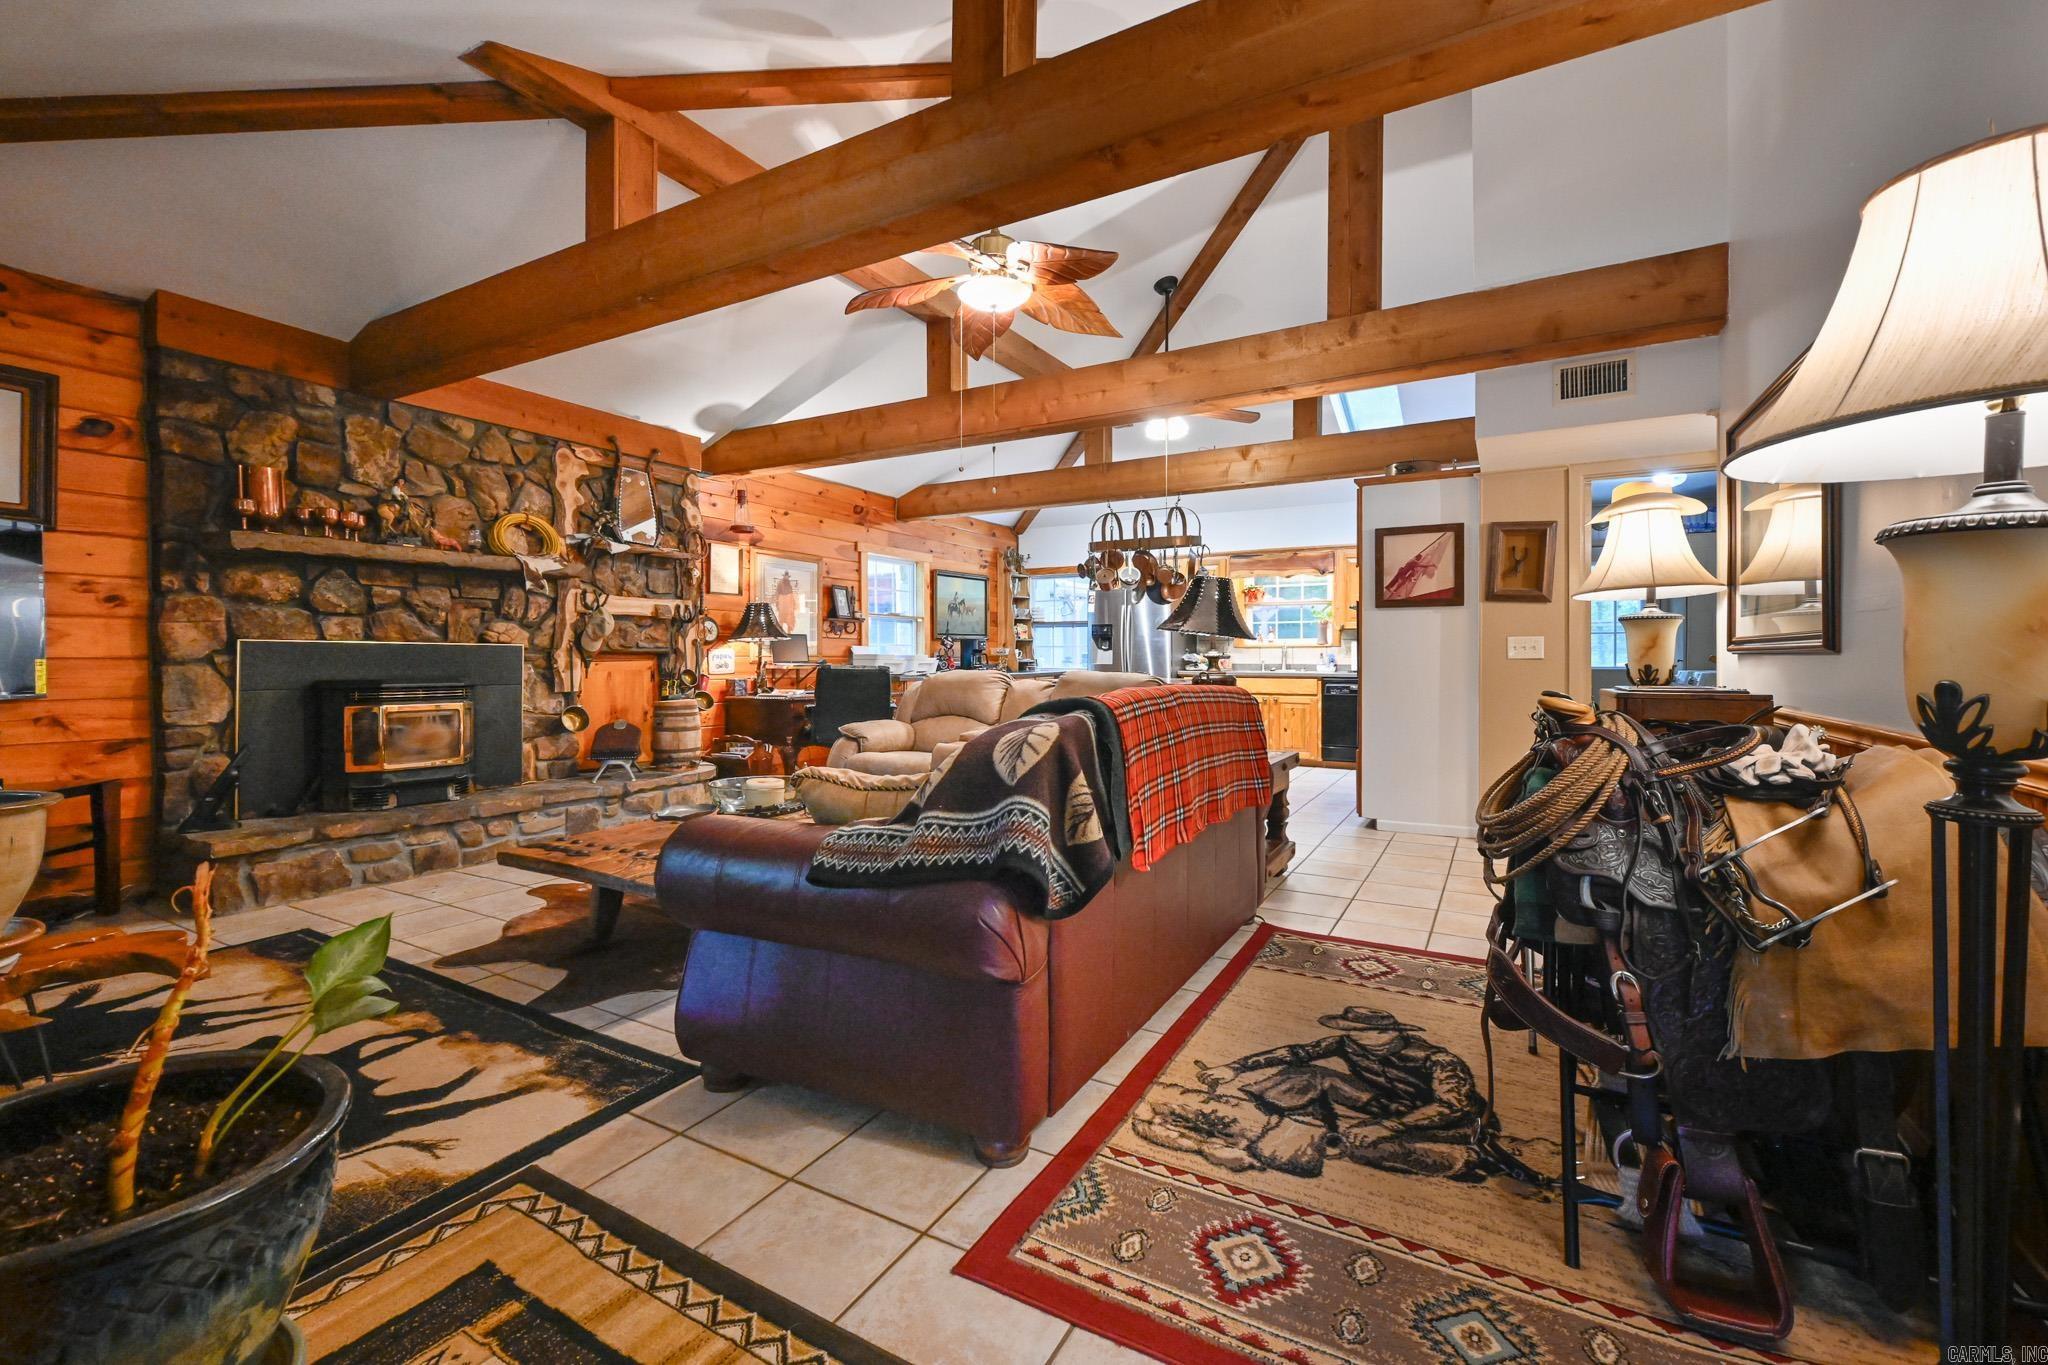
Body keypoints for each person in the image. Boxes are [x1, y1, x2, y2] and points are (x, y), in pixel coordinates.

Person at [1135, 1005, 1505, 1181]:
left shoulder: (1438, 1061)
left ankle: (1460, 1160)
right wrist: (1235, 1067)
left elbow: (1451, 1106)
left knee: (1365, 1145)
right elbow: (1297, 1052)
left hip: (1447, 1124)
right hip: (1386, 1104)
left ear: (1387, 1033)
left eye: (1357, 1033)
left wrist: (1387, 1127)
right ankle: (1268, 1113)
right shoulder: (1348, 1045)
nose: (1350, 1038)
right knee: (1314, 1074)